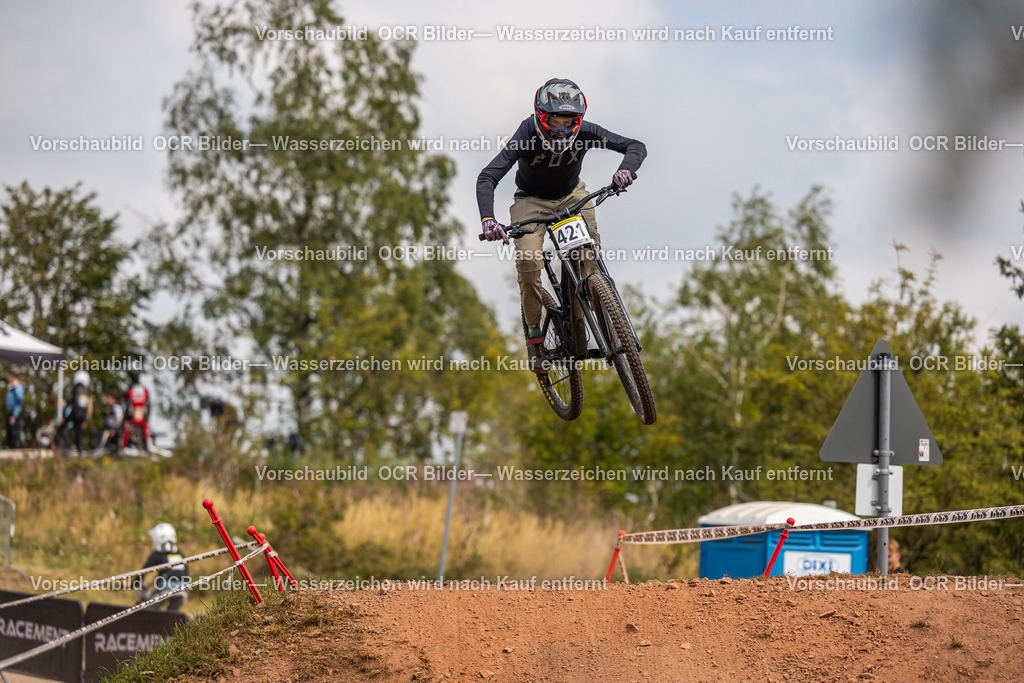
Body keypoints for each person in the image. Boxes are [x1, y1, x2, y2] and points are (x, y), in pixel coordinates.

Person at [477, 78, 647, 371]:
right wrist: (489, 220)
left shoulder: (586, 132)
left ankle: (604, 315)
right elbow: (488, 176)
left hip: (572, 196)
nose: (561, 130)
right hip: (531, 201)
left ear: (578, 120)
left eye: (569, 124)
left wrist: (624, 171)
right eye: (554, 122)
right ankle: (534, 338)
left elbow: (635, 146)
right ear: (540, 118)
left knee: (588, 259)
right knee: (530, 261)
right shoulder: (527, 133)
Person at [135, 523, 189, 611]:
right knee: (171, 615)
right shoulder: (179, 553)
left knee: (148, 610)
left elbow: (144, 571)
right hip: (183, 588)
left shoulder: (158, 553)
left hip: (165, 587)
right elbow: (186, 573)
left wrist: (135, 583)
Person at [63, 370, 92, 453]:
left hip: (74, 414)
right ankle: (79, 451)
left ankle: (68, 445)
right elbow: (89, 407)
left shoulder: (74, 390)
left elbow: (69, 402)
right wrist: (86, 419)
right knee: (78, 435)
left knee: (63, 428)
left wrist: (64, 416)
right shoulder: (87, 392)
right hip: (82, 417)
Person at [122, 371, 151, 452]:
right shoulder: (144, 390)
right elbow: (148, 405)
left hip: (132, 416)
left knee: (127, 429)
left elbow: (124, 401)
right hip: (142, 416)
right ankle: (145, 447)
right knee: (144, 431)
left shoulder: (130, 390)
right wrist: (147, 415)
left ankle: (126, 446)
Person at [97, 389, 124, 453]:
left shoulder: (116, 407)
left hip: (112, 429)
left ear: (113, 399)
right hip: (108, 428)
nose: (107, 400)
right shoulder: (109, 407)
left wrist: (114, 430)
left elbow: (119, 419)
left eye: (108, 398)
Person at [5, 372, 24, 449]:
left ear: (13, 377)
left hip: (15, 413)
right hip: (10, 413)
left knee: (14, 431)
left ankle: (15, 448)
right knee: (9, 431)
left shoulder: (18, 387)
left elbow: (20, 399)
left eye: (10, 377)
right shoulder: (11, 387)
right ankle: (10, 447)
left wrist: (15, 388)